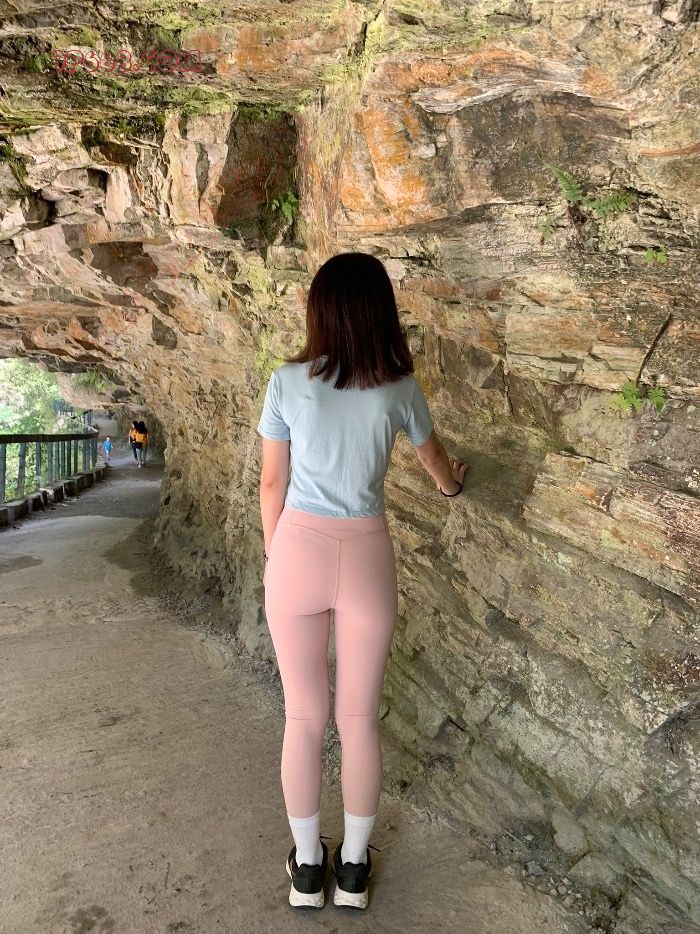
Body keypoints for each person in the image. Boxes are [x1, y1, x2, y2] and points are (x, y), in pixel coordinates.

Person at [257, 252, 468, 911]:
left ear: (319, 311)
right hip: (366, 554)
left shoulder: (286, 382)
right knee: (357, 718)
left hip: (296, 548)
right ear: (382, 312)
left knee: (303, 715)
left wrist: (276, 559)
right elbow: (437, 462)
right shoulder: (399, 388)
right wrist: (453, 485)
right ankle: (353, 870)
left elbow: (271, 483)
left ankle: (306, 870)